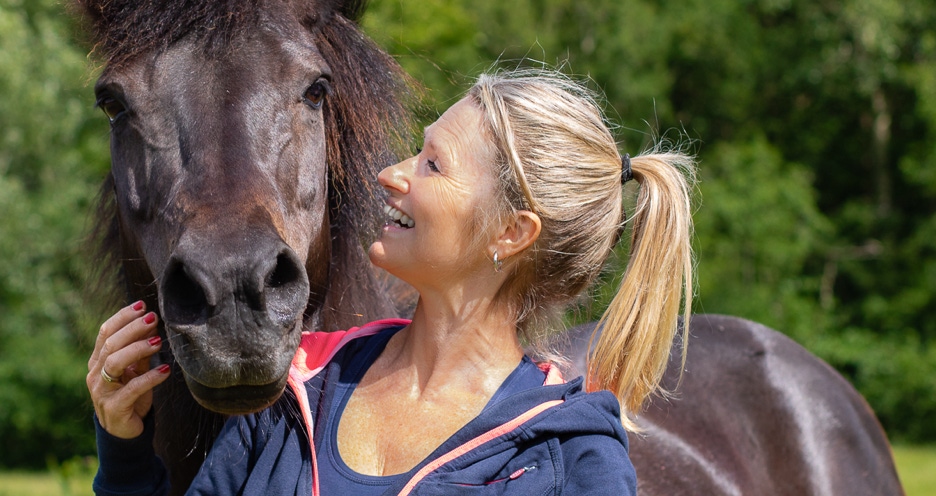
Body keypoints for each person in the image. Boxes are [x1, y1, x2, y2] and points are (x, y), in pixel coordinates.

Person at [87, 68, 695, 495]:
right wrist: (124, 454)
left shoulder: (572, 462)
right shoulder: (298, 388)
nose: (389, 174)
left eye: (432, 164)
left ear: (511, 233)